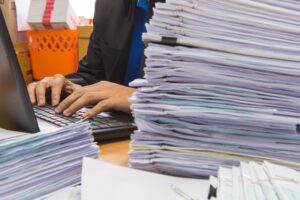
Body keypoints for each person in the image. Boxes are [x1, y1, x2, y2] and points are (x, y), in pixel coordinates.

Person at [27, 0, 162, 118]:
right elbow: (92, 74)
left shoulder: (180, 8)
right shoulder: (108, 3)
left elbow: (183, 99)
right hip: (118, 127)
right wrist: (63, 86)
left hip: (168, 133)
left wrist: (138, 98)